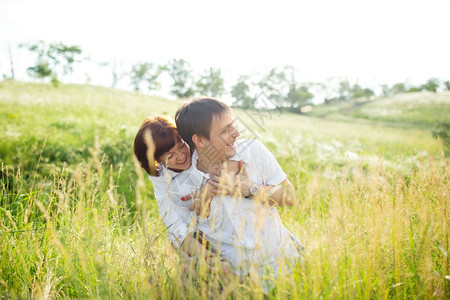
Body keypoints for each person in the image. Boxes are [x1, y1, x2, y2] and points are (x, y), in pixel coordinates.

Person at [174, 97, 304, 292]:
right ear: (199, 140)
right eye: (225, 130)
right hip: (237, 285)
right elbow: (181, 235)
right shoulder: (184, 186)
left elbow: (291, 197)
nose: (236, 133)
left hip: (286, 268)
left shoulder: (254, 152)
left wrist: (250, 189)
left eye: (232, 125)